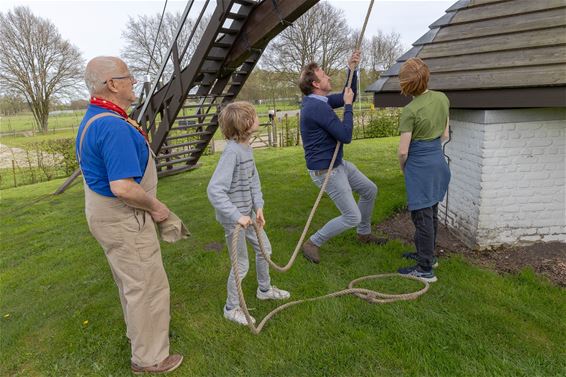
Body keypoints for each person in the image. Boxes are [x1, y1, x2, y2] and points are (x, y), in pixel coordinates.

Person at [76, 56, 183, 374]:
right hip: (124, 216)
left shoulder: (98, 117)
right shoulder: (111, 126)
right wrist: (157, 208)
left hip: (107, 215)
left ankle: (143, 339)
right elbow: (122, 187)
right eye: (128, 76)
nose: (133, 81)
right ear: (112, 84)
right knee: (146, 286)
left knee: (132, 284)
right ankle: (150, 358)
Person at [298, 51, 387, 264]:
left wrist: (352, 69)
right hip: (326, 171)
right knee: (352, 216)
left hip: (338, 164)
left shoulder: (319, 102)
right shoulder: (316, 108)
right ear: (316, 84)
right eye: (325, 75)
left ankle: (363, 234)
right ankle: (312, 242)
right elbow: (345, 136)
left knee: (369, 190)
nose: (329, 77)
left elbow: (350, 93)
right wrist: (347, 106)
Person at [207, 101, 290, 326]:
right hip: (235, 221)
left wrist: (258, 207)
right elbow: (215, 190)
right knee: (241, 264)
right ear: (245, 124)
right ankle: (231, 308)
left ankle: (264, 289)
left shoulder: (246, 148)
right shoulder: (231, 153)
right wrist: (237, 216)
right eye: (253, 115)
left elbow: (253, 180)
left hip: (249, 215)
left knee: (266, 250)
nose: (258, 118)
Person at [396, 57, 451, 283]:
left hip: (420, 167)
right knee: (431, 212)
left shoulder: (410, 110)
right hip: (438, 162)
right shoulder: (442, 98)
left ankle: (425, 268)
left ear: (406, 84)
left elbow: (402, 152)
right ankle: (427, 255)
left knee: (422, 217)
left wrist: (404, 168)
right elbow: (445, 134)